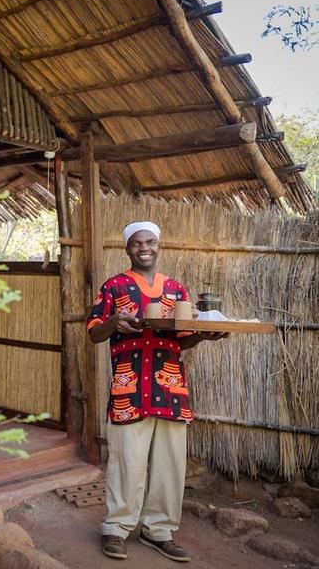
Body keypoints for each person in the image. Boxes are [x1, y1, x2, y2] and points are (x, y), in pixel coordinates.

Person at [87, 221, 227, 562]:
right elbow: (93, 332)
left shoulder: (177, 290)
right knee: (127, 463)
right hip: (129, 388)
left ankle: (158, 530)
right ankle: (116, 529)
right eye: (137, 243)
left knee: (169, 465)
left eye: (150, 242)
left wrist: (204, 336)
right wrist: (113, 322)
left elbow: (182, 338)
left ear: (158, 246)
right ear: (127, 249)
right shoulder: (114, 286)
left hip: (169, 388)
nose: (144, 248)